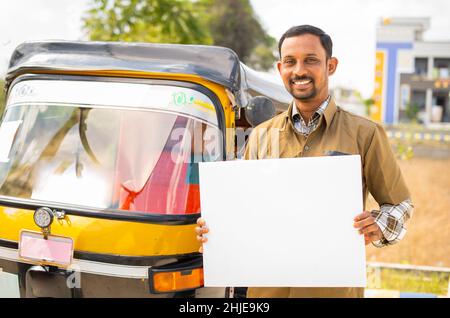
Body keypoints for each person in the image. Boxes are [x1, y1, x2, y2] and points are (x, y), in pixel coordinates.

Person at [196, 25, 413, 298]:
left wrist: (379, 224)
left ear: (330, 65)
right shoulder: (261, 135)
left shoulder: (365, 133)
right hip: (266, 293)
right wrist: (216, 230)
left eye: (310, 60)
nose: (299, 70)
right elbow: (244, 208)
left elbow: (400, 205)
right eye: (290, 62)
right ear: (280, 68)